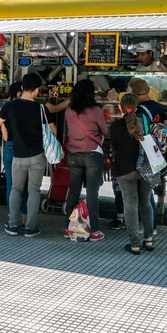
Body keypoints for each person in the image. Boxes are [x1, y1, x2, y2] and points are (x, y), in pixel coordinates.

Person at [0, 73, 56, 238]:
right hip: (37, 156)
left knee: (15, 189)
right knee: (34, 190)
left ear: (22, 88)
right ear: (37, 90)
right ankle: (30, 227)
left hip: (18, 155)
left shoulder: (10, 106)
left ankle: (13, 225)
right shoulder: (41, 108)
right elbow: (53, 131)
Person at [110, 94, 154, 255]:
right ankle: (148, 240)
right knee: (146, 203)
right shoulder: (144, 123)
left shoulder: (115, 126)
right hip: (145, 170)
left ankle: (135, 244)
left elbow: (114, 148)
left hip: (125, 170)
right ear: (137, 107)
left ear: (120, 107)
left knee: (130, 205)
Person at [64, 79, 108, 241]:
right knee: (92, 194)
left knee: (73, 191)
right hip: (91, 154)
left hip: (73, 154)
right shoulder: (95, 110)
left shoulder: (69, 110)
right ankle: (95, 230)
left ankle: (68, 228)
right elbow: (104, 129)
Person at [0, 82, 29, 226]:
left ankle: (12, 218)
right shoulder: (26, 108)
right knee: (25, 186)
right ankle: (25, 217)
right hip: (23, 150)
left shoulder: (5, 108)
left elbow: (5, 136)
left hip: (9, 148)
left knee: (11, 186)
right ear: (20, 91)